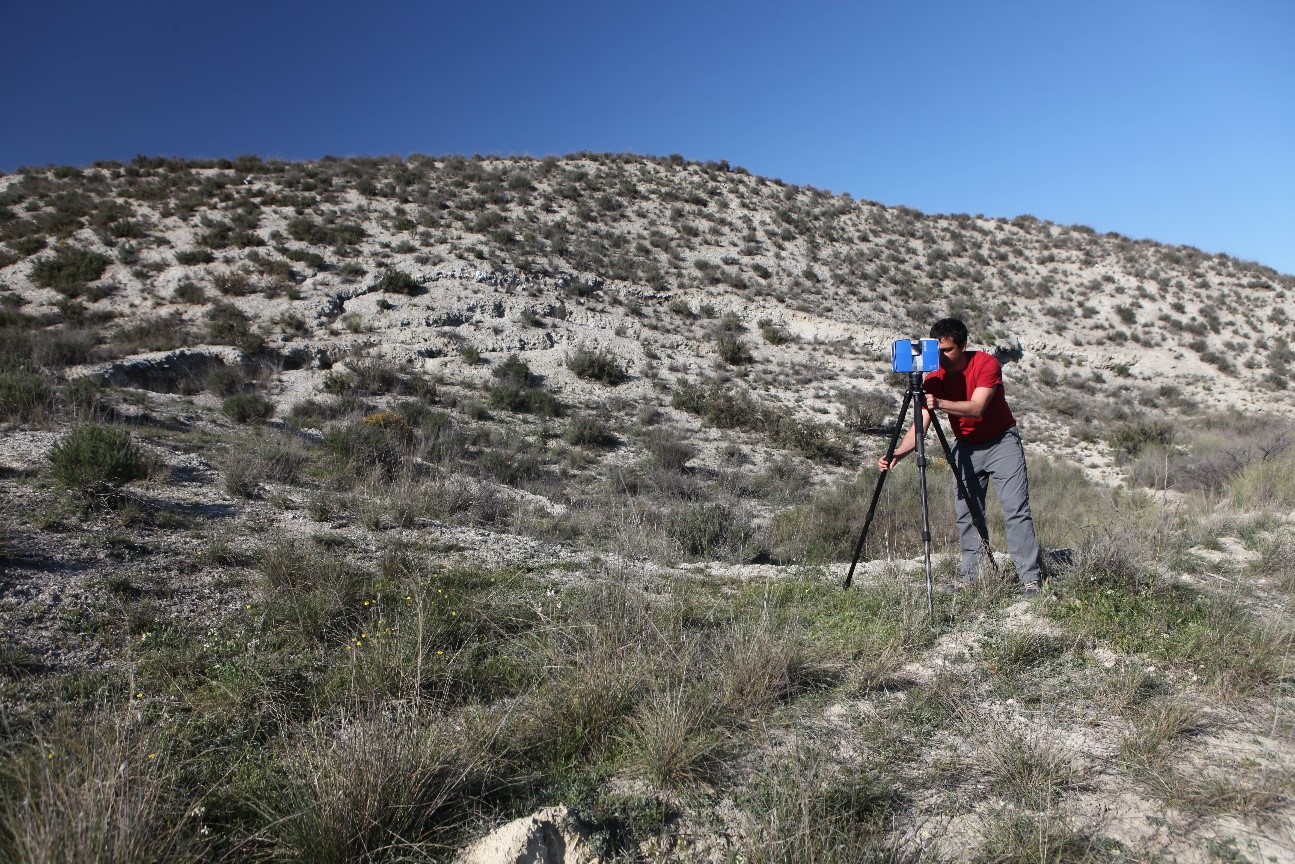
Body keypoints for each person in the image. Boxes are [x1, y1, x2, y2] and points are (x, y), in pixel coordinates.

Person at [877, 317, 1042, 594]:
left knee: (1015, 510)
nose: (941, 358)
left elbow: (977, 408)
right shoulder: (934, 378)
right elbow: (921, 424)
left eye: (947, 351)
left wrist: (940, 403)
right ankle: (974, 578)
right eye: (937, 351)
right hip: (966, 446)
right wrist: (898, 454)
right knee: (967, 513)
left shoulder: (986, 364)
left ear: (963, 346)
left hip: (1002, 442)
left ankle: (1030, 578)